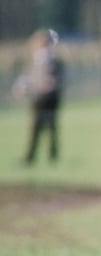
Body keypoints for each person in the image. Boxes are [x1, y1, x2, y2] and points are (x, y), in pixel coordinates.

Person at [13, 29, 65, 165]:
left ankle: (53, 156)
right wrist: (21, 87)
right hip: (37, 99)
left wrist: (51, 83)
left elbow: (58, 78)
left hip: (50, 99)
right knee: (34, 128)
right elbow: (27, 77)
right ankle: (30, 157)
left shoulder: (54, 60)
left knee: (52, 128)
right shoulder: (35, 59)